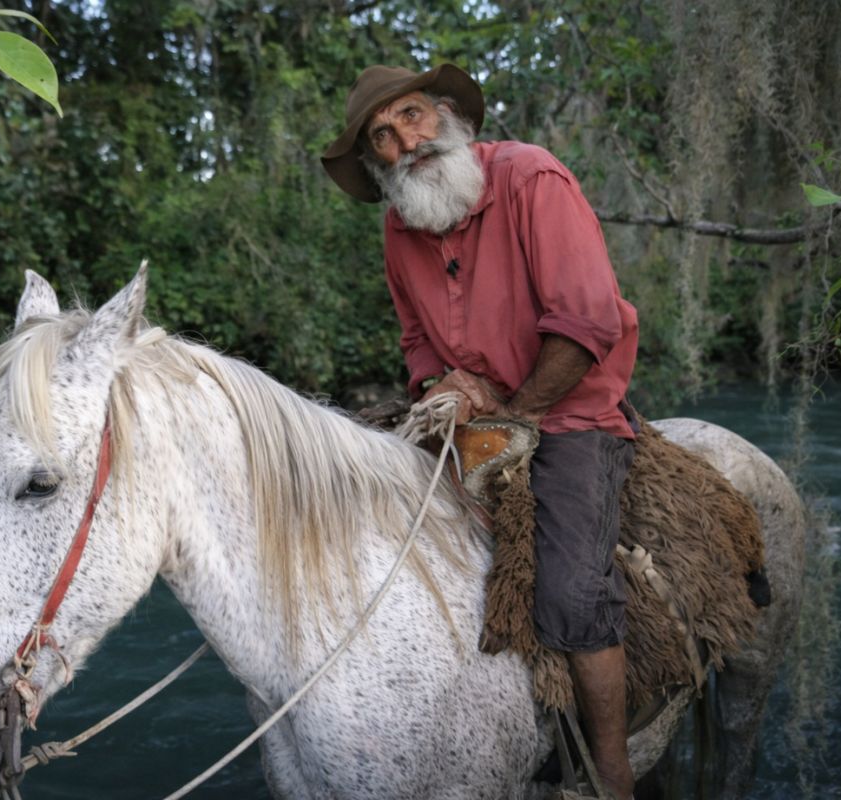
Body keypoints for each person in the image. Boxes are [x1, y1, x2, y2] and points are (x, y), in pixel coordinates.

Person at [321, 64, 640, 800]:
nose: (409, 141)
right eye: (385, 136)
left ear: (445, 114)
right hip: (471, 418)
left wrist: (517, 416)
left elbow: (585, 321)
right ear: (376, 161)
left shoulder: (531, 178)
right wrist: (441, 388)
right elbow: (417, 345)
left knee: (568, 594)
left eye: (412, 116)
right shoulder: (400, 228)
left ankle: (614, 776)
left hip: (567, 412)